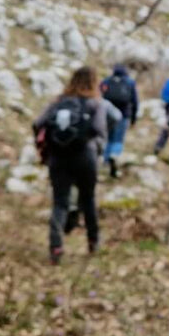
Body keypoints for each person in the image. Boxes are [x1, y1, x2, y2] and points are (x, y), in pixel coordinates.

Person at [32, 66, 109, 265]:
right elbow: (100, 130)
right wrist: (98, 149)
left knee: (60, 202)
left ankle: (56, 247)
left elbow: (37, 123)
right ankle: (93, 241)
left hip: (58, 158)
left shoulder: (58, 102)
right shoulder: (95, 103)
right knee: (88, 199)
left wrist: (46, 146)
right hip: (85, 156)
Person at [100, 64, 138, 179]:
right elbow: (135, 101)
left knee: (108, 137)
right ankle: (115, 155)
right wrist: (133, 118)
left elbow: (98, 98)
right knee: (118, 138)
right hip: (124, 114)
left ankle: (105, 159)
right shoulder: (130, 82)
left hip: (107, 115)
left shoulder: (106, 81)